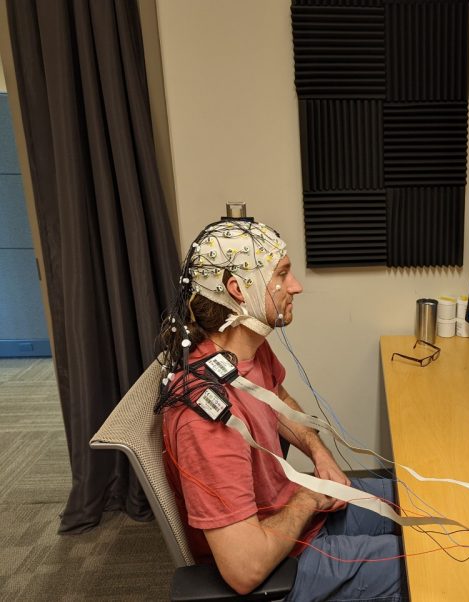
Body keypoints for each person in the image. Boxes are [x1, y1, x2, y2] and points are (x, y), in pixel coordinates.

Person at [154, 218, 406, 601]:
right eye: (283, 274)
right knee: (428, 561)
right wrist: (309, 498)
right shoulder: (205, 420)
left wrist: (320, 456)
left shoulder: (246, 350)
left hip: (297, 511)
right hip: (285, 563)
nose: (296, 286)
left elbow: (279, 402)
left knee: (410, 500)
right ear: (239, 290)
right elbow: (245, 570)